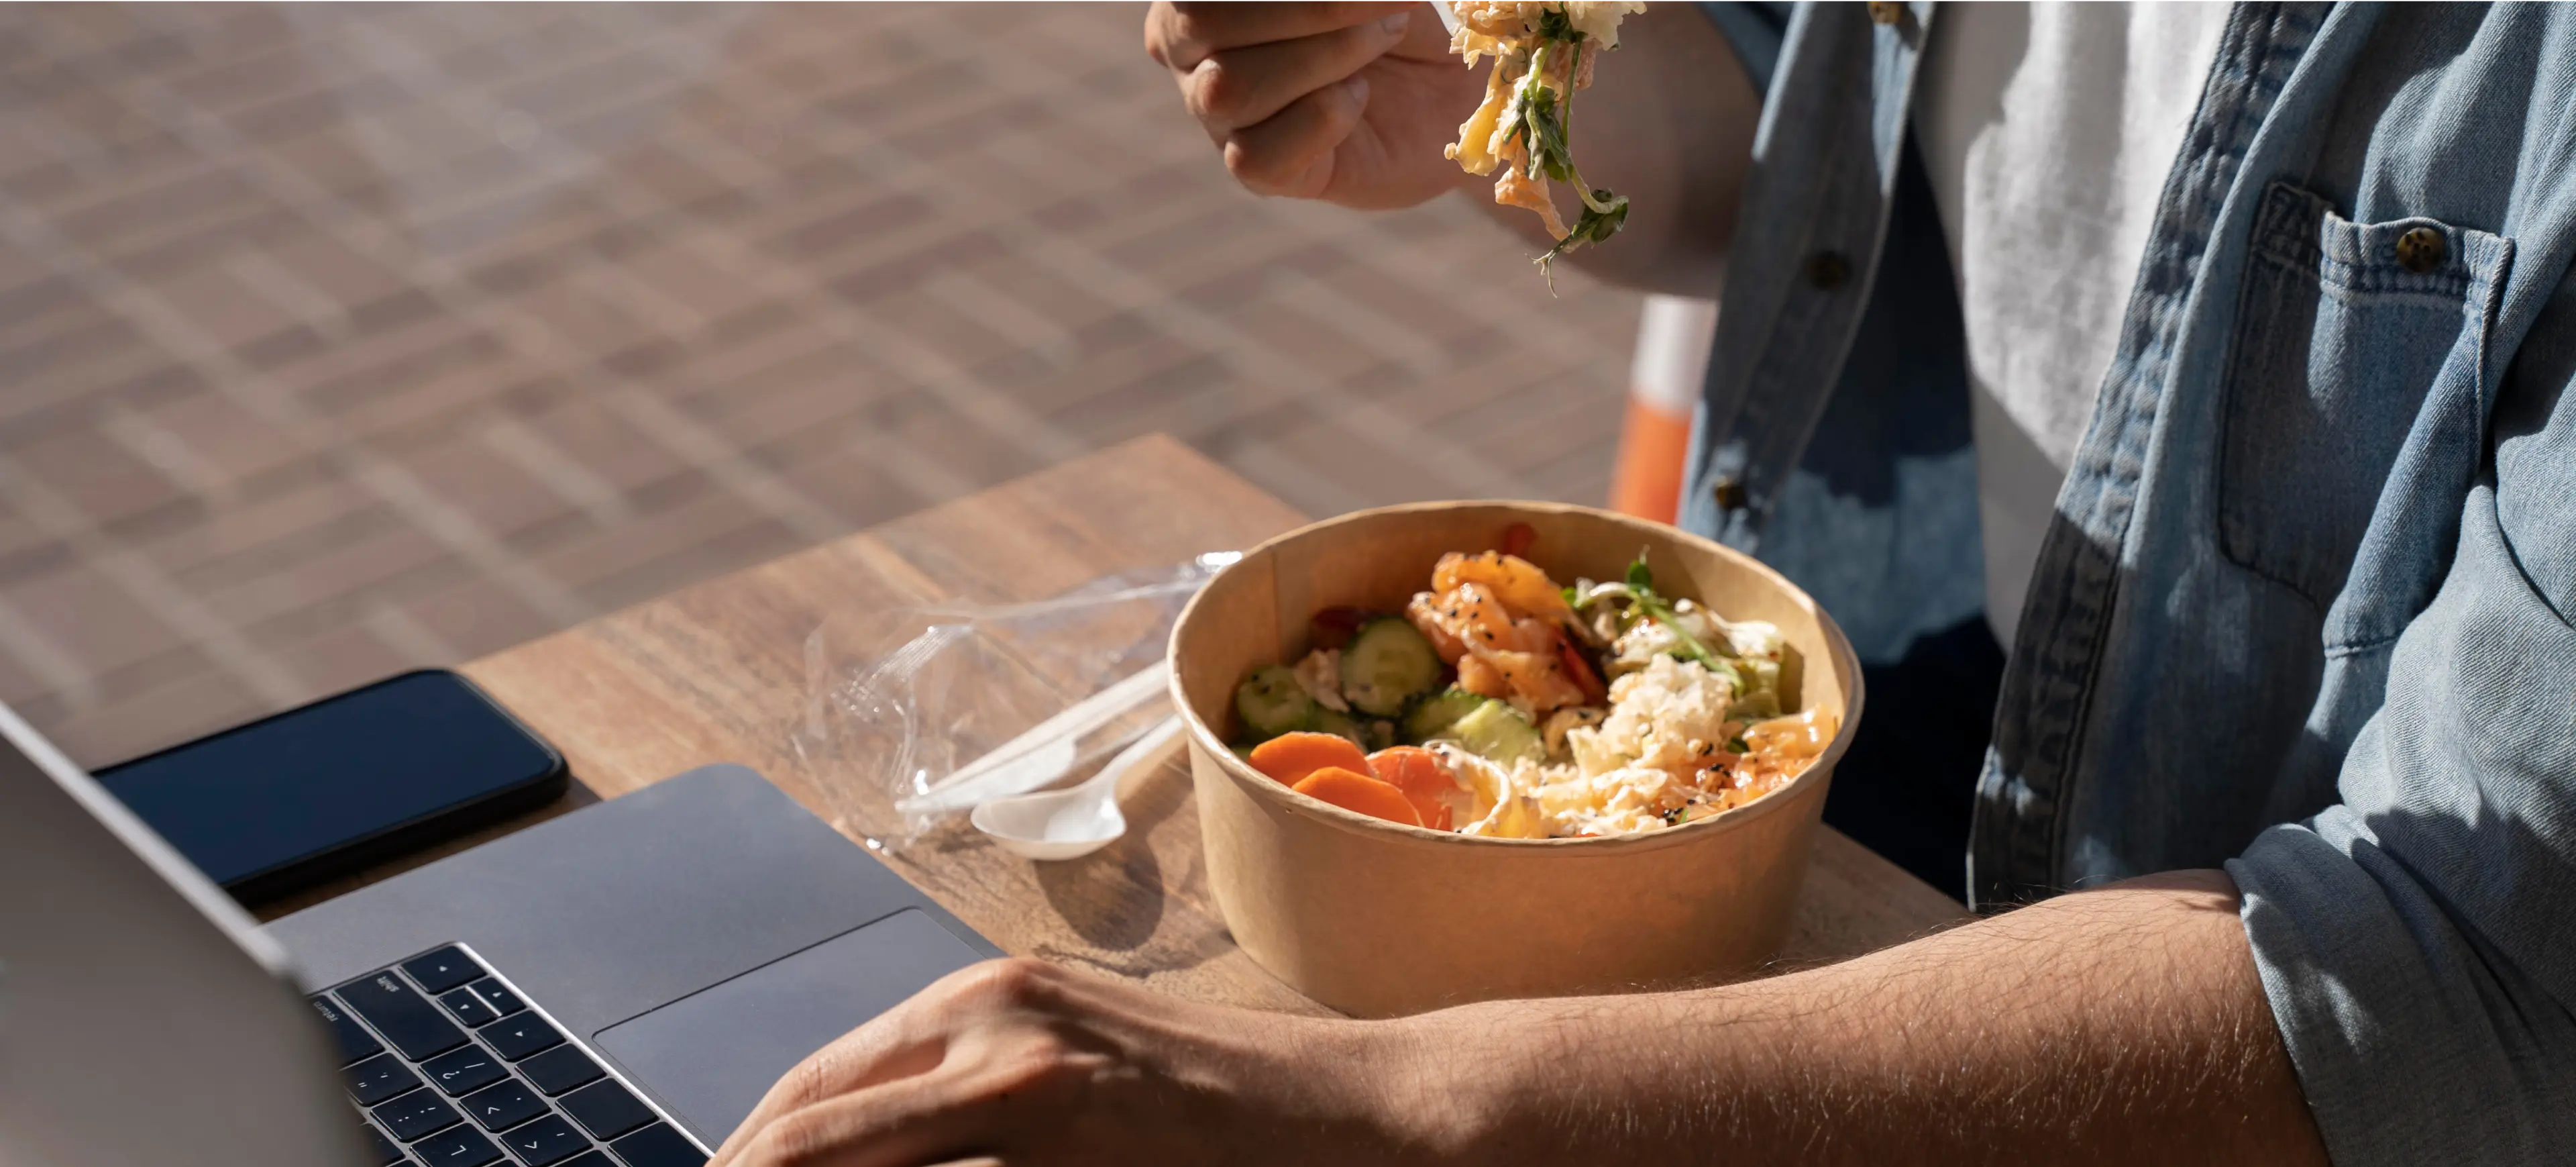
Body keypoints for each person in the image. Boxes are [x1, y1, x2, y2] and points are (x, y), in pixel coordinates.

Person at [705, 0, 2576, 1162]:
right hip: (1858, 819)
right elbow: (1794, 121)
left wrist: (1385, 1115)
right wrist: (1487, 83)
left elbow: (2474, 979)